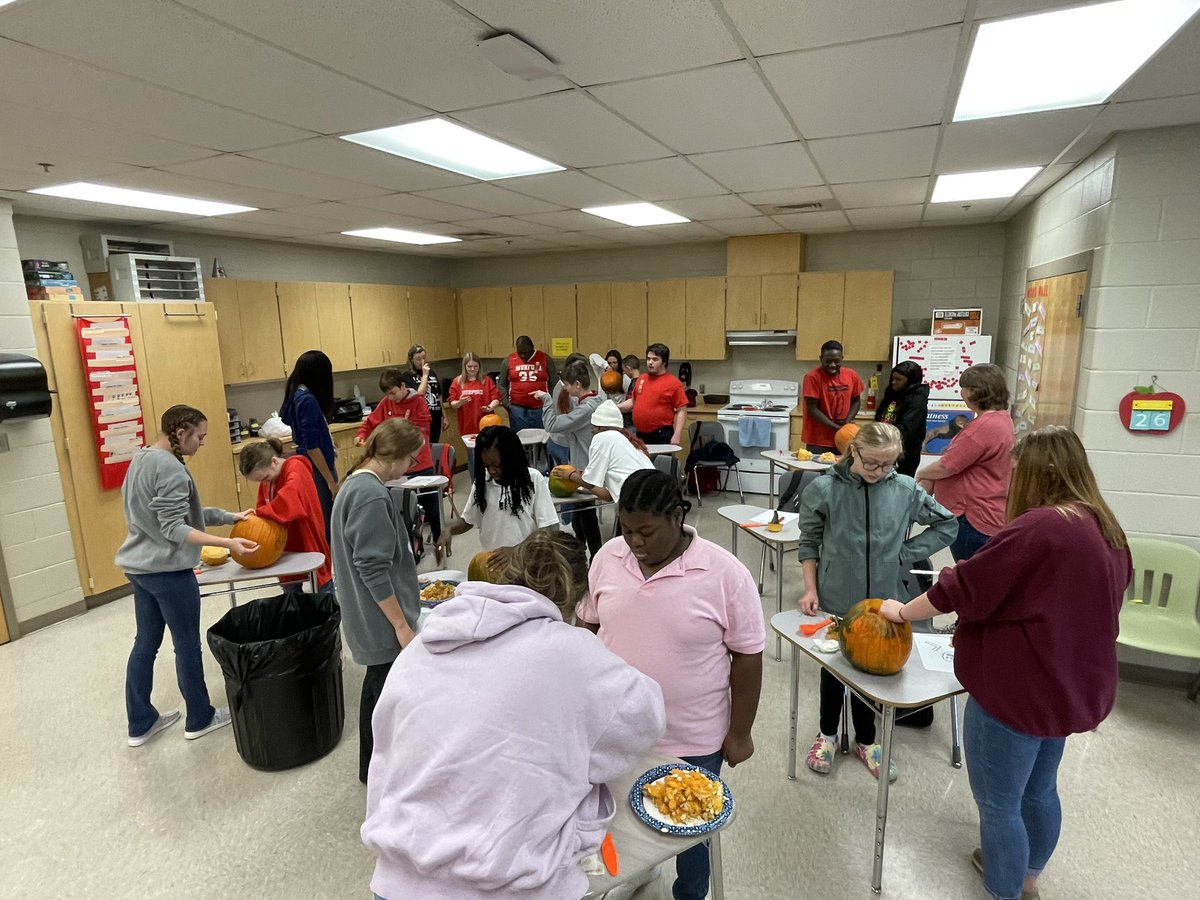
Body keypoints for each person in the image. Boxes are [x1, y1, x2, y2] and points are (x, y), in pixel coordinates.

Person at [879, 426, 1131, 900]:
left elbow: (965, 589)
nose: (1008, 481)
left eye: (1016, 470)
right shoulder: (1103, 523)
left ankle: (1004, 890)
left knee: (998, 803)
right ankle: (1028, 877)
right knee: (1039, 789)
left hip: (1018, 689)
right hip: (1067, 684)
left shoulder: (1040, 527)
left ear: (1042, 473)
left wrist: (903, 611)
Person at [363, 529, 666, 900]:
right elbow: (647, 719)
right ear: (576, 598)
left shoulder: (425, 643)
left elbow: (388, 743)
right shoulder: (574, 654)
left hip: (397, 878)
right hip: (501, 885)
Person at [577, 468, 765, 900]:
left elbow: (748, 657)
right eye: (626, 530)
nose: (635, 542)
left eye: (646, 531)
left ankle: (690, 894)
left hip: (692, 736)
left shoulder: (724, 574)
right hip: (615, 727)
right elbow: (587, 627)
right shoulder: (608, 557)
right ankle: (631, 875)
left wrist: (740, 733)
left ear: (678, 516)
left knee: (691, 831)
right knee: (615, 817)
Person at [796, 422, 957, 780]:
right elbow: (808, 542)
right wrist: (810, 589)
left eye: (888, 464)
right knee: (834, 668)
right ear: (853, 451)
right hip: (837, 596)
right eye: (871, 463)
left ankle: (867, 740)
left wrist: (905, 552)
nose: (879, 472)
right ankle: (827, 734)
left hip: (885, 601)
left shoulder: (904, 489)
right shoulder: (824, 488)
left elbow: (947, 525)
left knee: (876, 668)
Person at [116, 404, 257, 747]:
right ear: (181, 434)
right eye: (200, 436)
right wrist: (228, 541)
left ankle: (141, 722)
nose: (202, 443)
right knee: (187, 646)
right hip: (168, 572)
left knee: (145, 644)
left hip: (140, 568)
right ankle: (199, 717)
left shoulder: (142, 458)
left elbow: (182, 514)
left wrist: (228, 515)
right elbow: (176, 528)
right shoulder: (173, 471)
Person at [330, 417, 424, 784]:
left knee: (378, 689)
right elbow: (371, 568)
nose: (411, 467)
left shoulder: (355, 483)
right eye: (411, 460)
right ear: (393, 456)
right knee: (383, 696)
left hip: (365, 610)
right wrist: (401, 624)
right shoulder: (370, 495)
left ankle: (374, 768)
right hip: (380, 617)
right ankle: (379, 772)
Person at [916, 363, 1015, 562]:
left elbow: (947, 466)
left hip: (973, 516)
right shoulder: (1002, 420)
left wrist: (922, 474)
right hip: (988, 510)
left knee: (970, 579)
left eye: (965, 388)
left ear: (978, 392)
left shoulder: (984, 427)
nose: (962, 393)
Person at [438, 425, 558, 559]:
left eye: (497, 465)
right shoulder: (483, 482)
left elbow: (548, 528)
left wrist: (516, 550)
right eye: (486, 466)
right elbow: (468, 520)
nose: (492, 471)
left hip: (526, 561)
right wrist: (449, 530)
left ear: (510, 458)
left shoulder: (532, 479)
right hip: (493, 561)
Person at [357, 368, 441, 557]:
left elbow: (421, 431)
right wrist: (362, 435)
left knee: (432, 506)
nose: (391, 397)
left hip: (420, 464)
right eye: (387, 394)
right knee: (400, 509)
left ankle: (439, 542)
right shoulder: (387, 402)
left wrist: (400, 432)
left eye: (393, 392)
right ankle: (406, 548)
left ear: (403, 386)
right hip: (397, 467)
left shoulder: (418, 401)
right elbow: (371, 422)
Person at [238, 438, 333, 594]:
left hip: (306, 535)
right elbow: (263, 503)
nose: (264, 482)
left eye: (264, 478)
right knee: (290, 589)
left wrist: (261, 513)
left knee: (322, 584)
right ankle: (295, 615)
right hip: (285, 539)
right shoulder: (269, 478)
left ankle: (330, 614)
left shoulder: (296, 467)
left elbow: (290, 497)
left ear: (274, 461)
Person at [537, 358, 604, 555]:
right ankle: (579, 556)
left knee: (587, 518)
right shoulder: (592, 401)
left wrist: (547, 400)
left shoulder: (587, 409)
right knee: (579, 518)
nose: (565, 389)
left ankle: (596, 558)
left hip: (586, 470)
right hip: (581, 467)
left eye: (566, 385)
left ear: (577, 384)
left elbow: (552, 426)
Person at [551, 400, 654, 506]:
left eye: (593, 429)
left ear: (599, 427)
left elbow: (589, 483)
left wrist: (570, 475)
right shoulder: (629, 442)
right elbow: (609, 496)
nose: (593, 432)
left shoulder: (603, 437)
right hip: (655, 496)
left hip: (637, 500)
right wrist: (587, 476)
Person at [281, 349, 338, 540]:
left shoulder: (297, 394)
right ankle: (330, 566)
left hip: (311, 463)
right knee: (327, 519)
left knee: (324, 517)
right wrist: (330, 481)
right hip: (318, 469)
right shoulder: (308, 400)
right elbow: (312, 446)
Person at [801, 339, 865, 454]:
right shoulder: (812, 377)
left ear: (842, 358)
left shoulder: (851, 375)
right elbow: (812, 409)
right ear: (821, 359)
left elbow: (856, 401)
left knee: (844, 470)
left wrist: (847, 423)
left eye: (836, 361)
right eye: (827, 361)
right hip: (819, 440)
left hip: (846, 439)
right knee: (818, 470)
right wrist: (838, 428)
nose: (832, 365)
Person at [445, 350, 500, 479]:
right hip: (468, 426)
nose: (472, 369)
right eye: (469, 366)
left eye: (475, 366)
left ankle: (490, 482)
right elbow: (453, 403)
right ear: (464, 367)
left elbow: (496, 397)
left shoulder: (486, 381)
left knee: (488, 455)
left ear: (479, 366)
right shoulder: (458, 382)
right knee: (473, 457)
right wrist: (461, 402)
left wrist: (490, 407)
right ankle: (475, 484)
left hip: (486, 425)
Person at [619, 343, 687, 445]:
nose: (650, 362)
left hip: (661, 434)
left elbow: (682, 410)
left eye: (655, 359)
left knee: (660, 461)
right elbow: (633, 402)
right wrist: (614, 407)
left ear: (664, 362)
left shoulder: (673, 383)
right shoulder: (641, 379)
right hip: (640, 434)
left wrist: (677, 434)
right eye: (648, 359)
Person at [874, 360, 929, 477]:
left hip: (905, 454)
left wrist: (881, 435)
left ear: (910, 381)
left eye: (898, 380)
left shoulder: (917, 400)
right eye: (892, 379)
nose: (893, 382)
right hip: (884, 447)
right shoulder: (892, 393)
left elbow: (905, 430)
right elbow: (880, 416)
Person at [498, 334, 557, 434]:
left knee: (541, 439)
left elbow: (554, 382)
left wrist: (550, 402)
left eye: (526, 352)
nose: (523, 356)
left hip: (540, 408)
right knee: (519, 440)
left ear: (532, 348)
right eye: (520, 353)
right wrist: (506, 404)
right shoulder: (508, 360)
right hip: (517, 408)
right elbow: (502, 384)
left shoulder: (545, 359)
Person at [401, 343, 443, 442]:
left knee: (434, 446)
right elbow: (419, 394)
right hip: (420, 419)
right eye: (418, 359)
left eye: (424, 357)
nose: (422, 361)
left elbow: (438, 396)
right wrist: (425, 375)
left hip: (435, 417)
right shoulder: (407, 376)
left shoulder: (431, 373)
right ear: (411, 360)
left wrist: (444, 416)